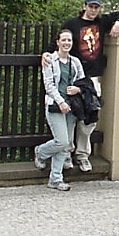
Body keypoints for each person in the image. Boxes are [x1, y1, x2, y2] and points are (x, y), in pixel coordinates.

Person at [42, 0, 119, 172]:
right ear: (85, 6)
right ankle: (66, 153)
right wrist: (45, 53)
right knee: (71, 117)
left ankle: (83, 154)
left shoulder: (102, 22)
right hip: (75, 77)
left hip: (93, 78)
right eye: (91, 6)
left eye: (96, 7)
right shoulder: (73, 24)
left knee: (90, 119)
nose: (94, 10)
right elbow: (58, 43)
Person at [34, 29, 85, 191]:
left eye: (69, 40)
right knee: (61, 140)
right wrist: (61, 101)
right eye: (63, 40)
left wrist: (77, 90)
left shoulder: (75, 62)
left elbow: (83, 83)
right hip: (55, 106)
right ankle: (41, 152)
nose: (66, 43)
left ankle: (56, 178)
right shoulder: (50, 60)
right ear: (57, 42)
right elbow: (49, 85)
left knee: (66, 143)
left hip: (72, 106)